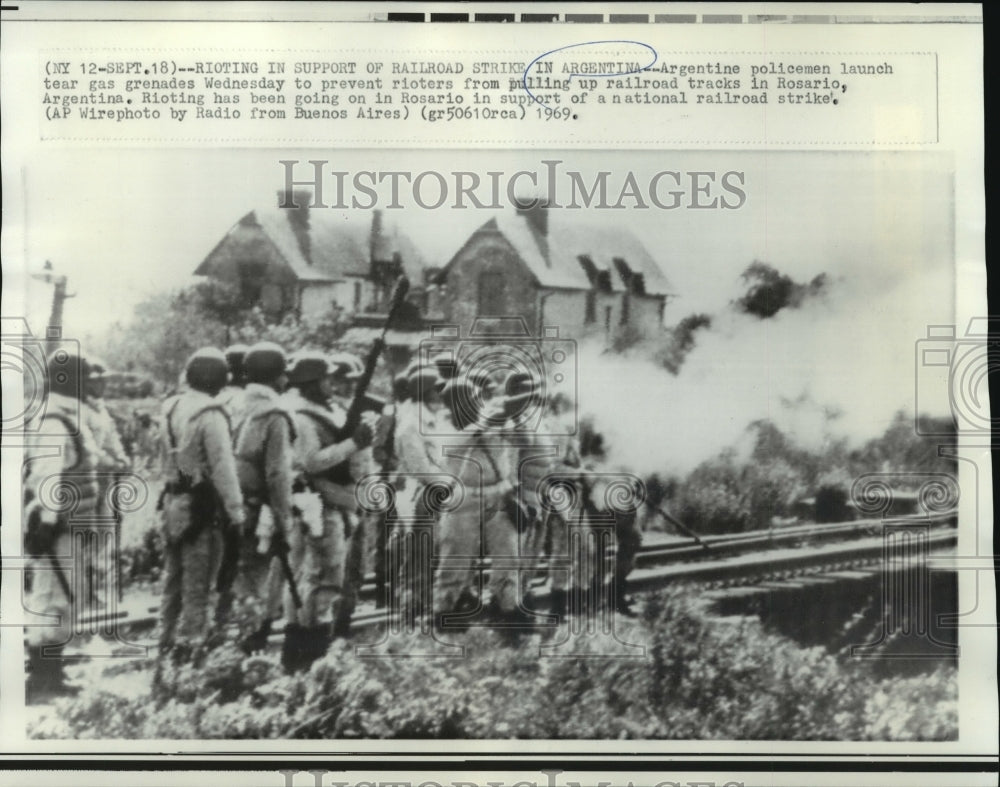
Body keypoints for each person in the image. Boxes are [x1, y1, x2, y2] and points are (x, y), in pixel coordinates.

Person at [278, 351, 372, 670]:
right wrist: (352, 445)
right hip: (319, 503)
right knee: (324, 576)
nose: (333, 383)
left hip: (328, 501)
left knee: (313, 576)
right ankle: (310, 651)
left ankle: (301, 648)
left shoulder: (323, 410)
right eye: (327, 378)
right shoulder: (303, 417)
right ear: (312, 383)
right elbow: (311, 461)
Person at [22, 349, 101, 701]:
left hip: (71, 525)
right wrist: (49, 523)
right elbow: (46, 477)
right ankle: (43, 679)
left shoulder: (67, 416)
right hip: (59, 528)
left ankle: (51, 673)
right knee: (52, 600)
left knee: (64, 599)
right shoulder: (56, 420)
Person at [158, 348, 245, 663]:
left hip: (171, 502)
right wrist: (236, 512)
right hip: (201, 508)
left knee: (173, 579)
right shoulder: (211, 414)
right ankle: (191, 653)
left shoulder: (171, 407)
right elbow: (223, 468)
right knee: (199, 583)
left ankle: (164, 643)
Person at [433, 377, 523, 636]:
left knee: (508, 557)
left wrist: (510, 419)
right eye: (468, 402)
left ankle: (507, 608)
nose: (474, 405)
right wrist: (483, 424)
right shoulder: (444, 425)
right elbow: (449, 447)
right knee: (455, 559)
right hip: (463, 497)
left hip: (498, 496)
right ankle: (445, 612)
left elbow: (519, 441)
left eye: (475, 400)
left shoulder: (493, 419)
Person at [228, 341, 296, 653]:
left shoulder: (231, 403)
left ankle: (217, 650)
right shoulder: (275, 413)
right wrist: (284, 522)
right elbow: (278, 474)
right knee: (253, 580)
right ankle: (246, 652)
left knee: (226, 579)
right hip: (254, 508)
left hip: (223, 505)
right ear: (279, 377)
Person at [80, 357, 130, 605]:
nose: (102, 386)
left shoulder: (101, 409)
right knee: (86, 533)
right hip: (87, 478)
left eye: (103, 381)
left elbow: (112, 439)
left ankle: (97, 587)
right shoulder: (80, 410)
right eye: (96, 382)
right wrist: (111, 462)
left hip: (105, 481)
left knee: (105, 532)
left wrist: (122, 459)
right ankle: (84, 588)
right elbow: (89, 447)